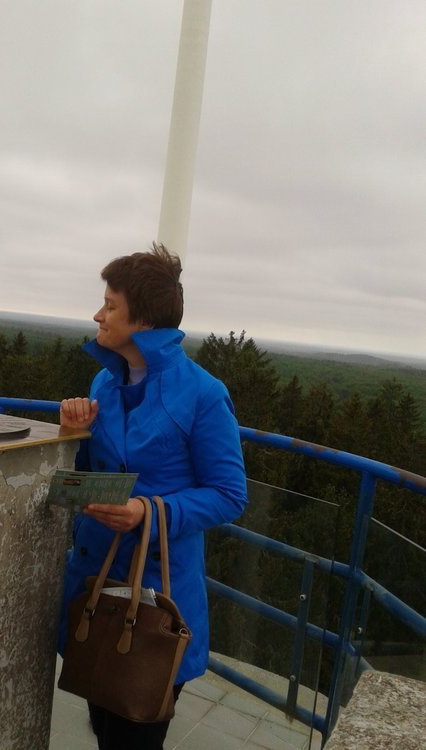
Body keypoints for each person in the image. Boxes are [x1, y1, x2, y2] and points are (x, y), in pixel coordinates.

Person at [59, 243, 247, 750]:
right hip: (97, 589)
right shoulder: (105, 381)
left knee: (135, 735)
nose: (98, 315)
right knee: (104, 726)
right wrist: (72, 435)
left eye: (110, 305)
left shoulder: (203, 394)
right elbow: (92, 474)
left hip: (157, 600)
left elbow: (230, 495)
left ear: (141, 320)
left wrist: (147, 510)